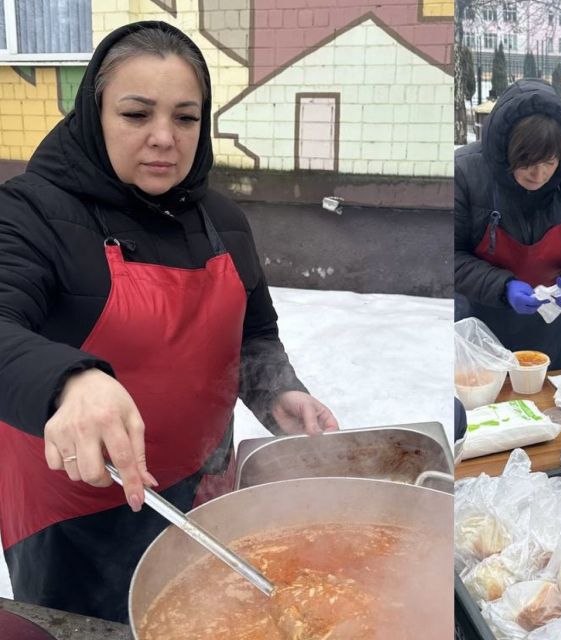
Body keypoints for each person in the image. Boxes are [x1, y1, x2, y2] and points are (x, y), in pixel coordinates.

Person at [0, 21, 338, 621]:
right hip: (77, 518)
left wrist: (277, 390)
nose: (164, 138)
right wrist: (68, 381)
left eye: (185, 118)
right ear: (94, 114)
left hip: (205, 488)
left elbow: (254, 333)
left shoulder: (224, 220)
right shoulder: (32, 212)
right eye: (136, 114)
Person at [455, 79, 561, 370]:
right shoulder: (466, 173)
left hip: (556, 326)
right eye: (527, 161)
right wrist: (503, 287)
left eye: (550, 162)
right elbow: (449, 256)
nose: (538, 174)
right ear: (507, 151)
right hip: (481, 323)